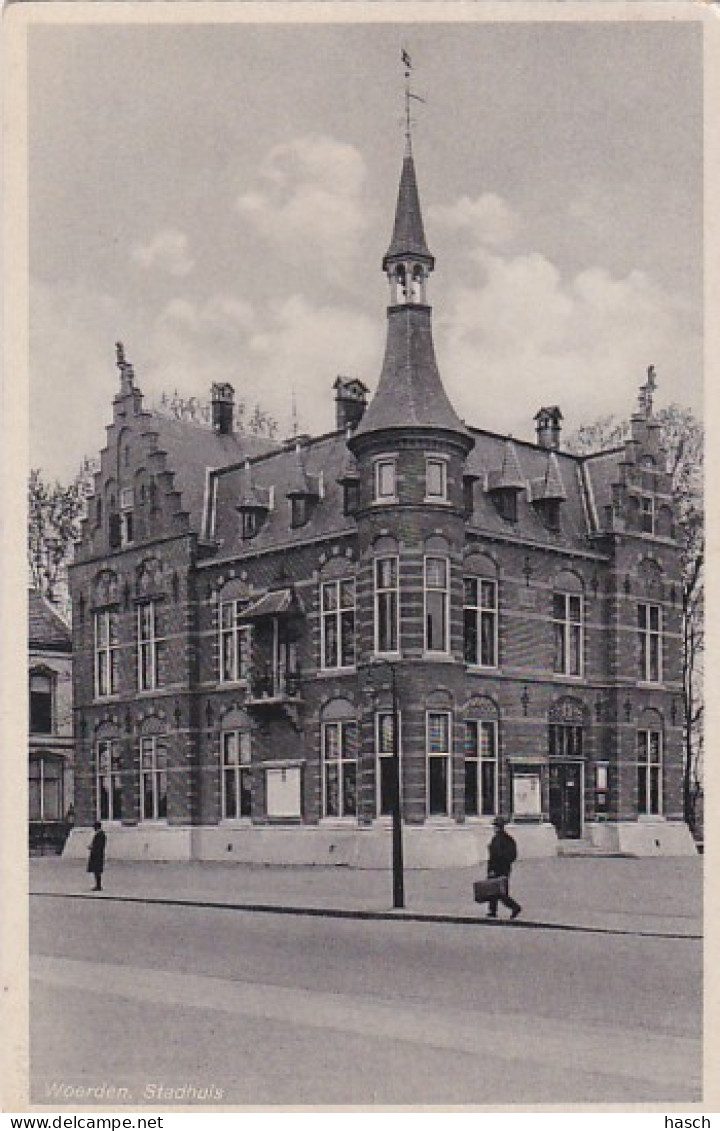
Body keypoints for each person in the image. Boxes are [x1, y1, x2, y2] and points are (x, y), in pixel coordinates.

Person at [486, 817, 521, 920]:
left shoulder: (502, 839)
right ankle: (492, 911)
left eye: (496, 826)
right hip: (502, 868)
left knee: (500, 892)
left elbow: (497, 856)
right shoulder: (503, 839)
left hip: (499, 869)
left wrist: (493, 868)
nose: (494, 828)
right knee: (493, 891)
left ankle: (515, 907)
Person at [87, 821, 107, 892]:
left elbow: (99, 845)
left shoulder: (100, 834)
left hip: (97, 855)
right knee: (96, 871)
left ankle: (98, 885)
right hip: (97, 854)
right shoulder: (100, 834)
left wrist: (92, 847)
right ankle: (97, 885)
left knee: (97, 871)